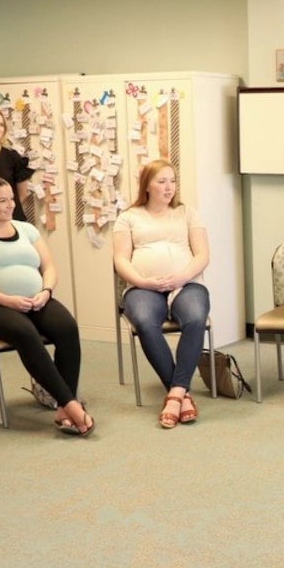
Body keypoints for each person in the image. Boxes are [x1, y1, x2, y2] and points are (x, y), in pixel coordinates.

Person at [0, 175, 93, 436]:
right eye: (2, 201)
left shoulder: (26, 230)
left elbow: (49, 266)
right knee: (25, 333)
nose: (10, 205)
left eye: (11, 199)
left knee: (67, 327)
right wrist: (6, 299)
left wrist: (46, 291)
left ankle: (64, 404)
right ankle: (70, 404)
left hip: (34, 298)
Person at [112, 159, 210, 429]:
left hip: (186, 282)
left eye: (172, 181)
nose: (169, 187)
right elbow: (121, 260)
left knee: (195, 318)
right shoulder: (128, 217)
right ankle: (182, 394)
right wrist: (143, 281)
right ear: (147, 186)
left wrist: (182, 276)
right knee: (144, 322)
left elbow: (202, 254)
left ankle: (175, 395)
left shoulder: (187, 212)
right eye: (162, 181)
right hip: (143, 286)